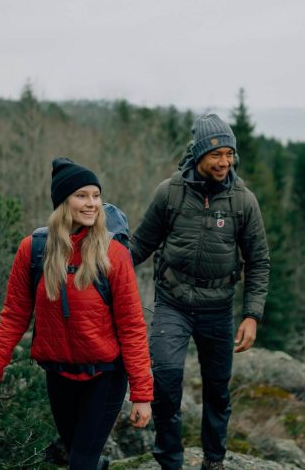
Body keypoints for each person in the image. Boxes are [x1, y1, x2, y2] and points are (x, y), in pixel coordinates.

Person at [0, 158, 153, 470]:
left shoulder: (113, 254)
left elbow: (132, 326)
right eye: (82, 195)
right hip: (59, 376)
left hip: (105, 375)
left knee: (80, 464)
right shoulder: (33, 251)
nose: (92, 203)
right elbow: (14, 317)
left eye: (96, 195)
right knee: (81, 458)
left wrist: (142, 394)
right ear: (62, 202)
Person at [130, 114, 270, 470]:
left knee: (217, 389)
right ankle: (170, 461)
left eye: (229, 154)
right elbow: (140, 245)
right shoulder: (170, 193)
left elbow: (259, 262)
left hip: (218, 308)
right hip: (172, 303)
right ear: (198, 156)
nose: (225, 162)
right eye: (216, 155)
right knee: (165, 378)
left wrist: (252, 315)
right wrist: (101, 271)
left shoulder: (243, 202)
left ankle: (214, 460)